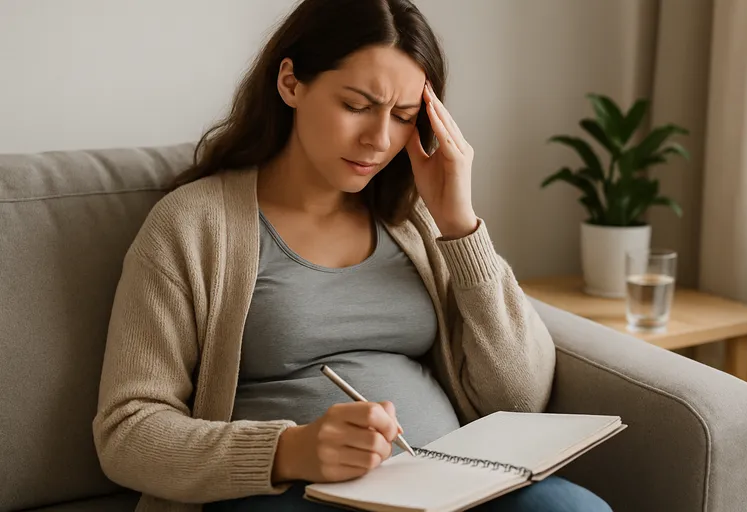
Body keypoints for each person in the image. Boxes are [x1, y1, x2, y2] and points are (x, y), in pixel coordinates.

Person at [92, 0, 612, 511]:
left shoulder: (416, 221)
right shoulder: (192, 225)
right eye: (357, 106)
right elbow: (127, 431)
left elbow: (519, 399)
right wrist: (289, 451)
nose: (378, 140)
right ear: (290, 83)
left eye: (404, 116)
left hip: (445, 484)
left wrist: (460, 226)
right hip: (290, 494)